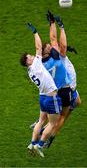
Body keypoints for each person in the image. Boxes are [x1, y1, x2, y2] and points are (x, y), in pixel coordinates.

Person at [30, 11, 81, 148]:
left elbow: (52, 41)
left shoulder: (41, 63)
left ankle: (40, 124)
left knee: (77, 102)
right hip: (67, 87)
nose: (52, 45)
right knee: (63, 114)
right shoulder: (58, 57)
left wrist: (51, 23)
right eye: (50, 47)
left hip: (55, 89)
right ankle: (49, 136)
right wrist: (60, 25)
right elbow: (57, 42)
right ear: (49, 52)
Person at [20, 28, 62, 157]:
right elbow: (38, 46)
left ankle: (32, 143)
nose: (32, 56)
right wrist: (35, 32)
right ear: (28, 62)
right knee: (53, 123)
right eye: (30, 57)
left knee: (40, 121)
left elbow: (37, 49)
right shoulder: (36, 64)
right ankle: (40, 145)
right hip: (51, 97)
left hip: (42, 98)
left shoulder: (30, 71)